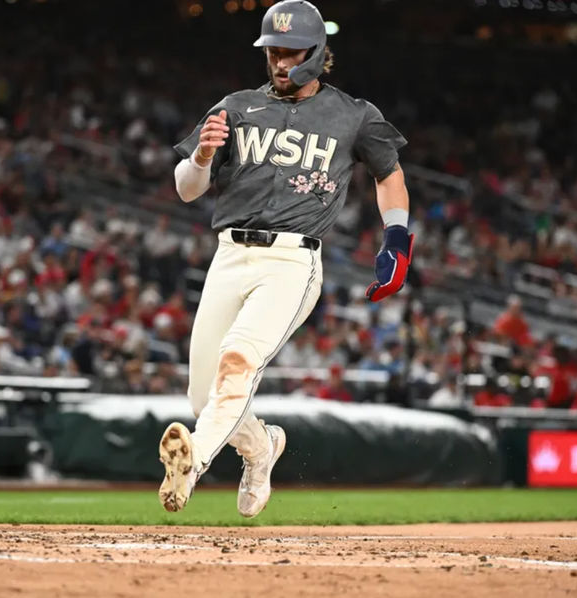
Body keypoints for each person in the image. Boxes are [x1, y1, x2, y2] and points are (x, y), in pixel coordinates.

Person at [159, 0, 413, 517]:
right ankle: (262, 448)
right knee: (201, 397)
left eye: (289, 51)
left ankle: (194, 462)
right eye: (272, 50)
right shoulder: (234, 105)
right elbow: (187, 189)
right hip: (230, 255)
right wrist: (202, 157)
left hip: (292, 263)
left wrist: (397, 240)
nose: (278, 61)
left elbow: (390, 176)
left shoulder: (353, 115)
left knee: (238, 360)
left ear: (317, 53)